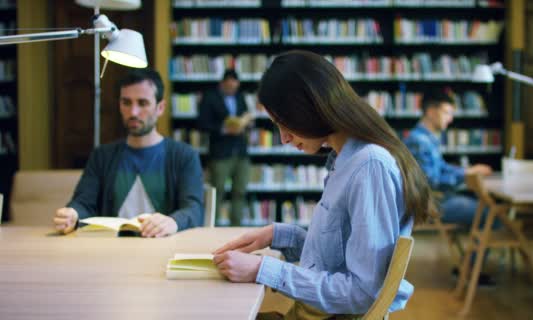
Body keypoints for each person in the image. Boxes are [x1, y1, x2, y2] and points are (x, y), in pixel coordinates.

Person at [211, 50, 436, 319]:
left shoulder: (368, 166)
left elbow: (363, 293)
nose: (283, 138)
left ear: (310, 108)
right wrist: (278, 235)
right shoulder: (345, 159)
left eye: (285, 124)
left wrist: (263, 270)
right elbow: (336, 258)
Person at [53, 69, 204, 237]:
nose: (133, 112)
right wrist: (72, 215)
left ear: (160, 107)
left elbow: (194, 209)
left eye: (142, 103)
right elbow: (84, 203)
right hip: (110, 252)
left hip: (163, 250)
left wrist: (173, 221)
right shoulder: (102, 156)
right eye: (126, 102)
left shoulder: (184, 156)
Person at [404, 90, 497, 285]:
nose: (451, 118)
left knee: (485, 210)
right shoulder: (419, 141)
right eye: (447, 112)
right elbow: (433, 180)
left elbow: (441, 168)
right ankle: (470, 270)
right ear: (430, 111)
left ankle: (468, 267)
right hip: (433, 203)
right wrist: (467, 174)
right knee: (489, 214)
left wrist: (467, 170)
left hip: (437, 199)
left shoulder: (426, 138)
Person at [198, 69, 252, 226]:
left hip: (241, 152)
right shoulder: (210, 98)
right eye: (229, 87)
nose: (232, 90)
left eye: (235, 87)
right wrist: (223, 128)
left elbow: (245, 115)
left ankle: (236, 227)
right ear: (222, 84)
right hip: (220, 153)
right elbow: (202, 123)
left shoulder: (240, 97)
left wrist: (246, 123)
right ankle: (211, 227)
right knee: (217, 193)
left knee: (240, 192)